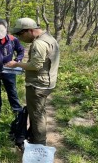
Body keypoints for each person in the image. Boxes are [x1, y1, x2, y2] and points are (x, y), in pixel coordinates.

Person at [5, 17, 60, 145]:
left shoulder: (39, 43)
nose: (19, 38)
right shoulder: (49, 38)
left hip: (38, 85)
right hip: (48, 82)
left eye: (20, 34)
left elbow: (36, 66)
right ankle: (35, 136)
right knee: (39, 111)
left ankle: (39, 144)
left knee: (36, 115)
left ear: (29, 30)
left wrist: (16, 64)